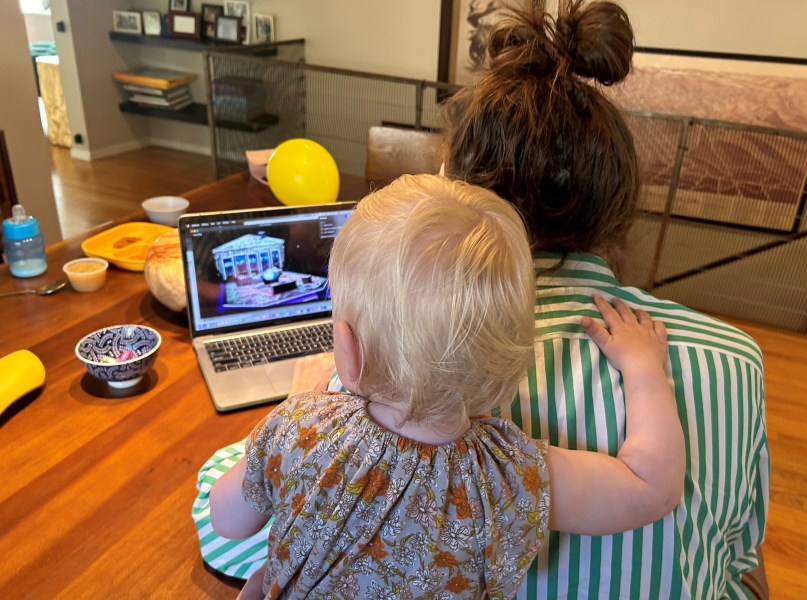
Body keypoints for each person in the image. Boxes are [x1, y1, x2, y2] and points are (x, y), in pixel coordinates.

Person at [206, 174, 684, 599]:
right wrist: (643, 368)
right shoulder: (514, 476)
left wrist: (291, 416)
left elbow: (225, 521)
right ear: (510, 358)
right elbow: (651, 489)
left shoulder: (299, 428)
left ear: (347, 355)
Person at [439, 1, 770, 598]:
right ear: (617, 204)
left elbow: (285, 531)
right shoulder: (736, 358)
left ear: (460, 191)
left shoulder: (409, 357)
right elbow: (740, 557)